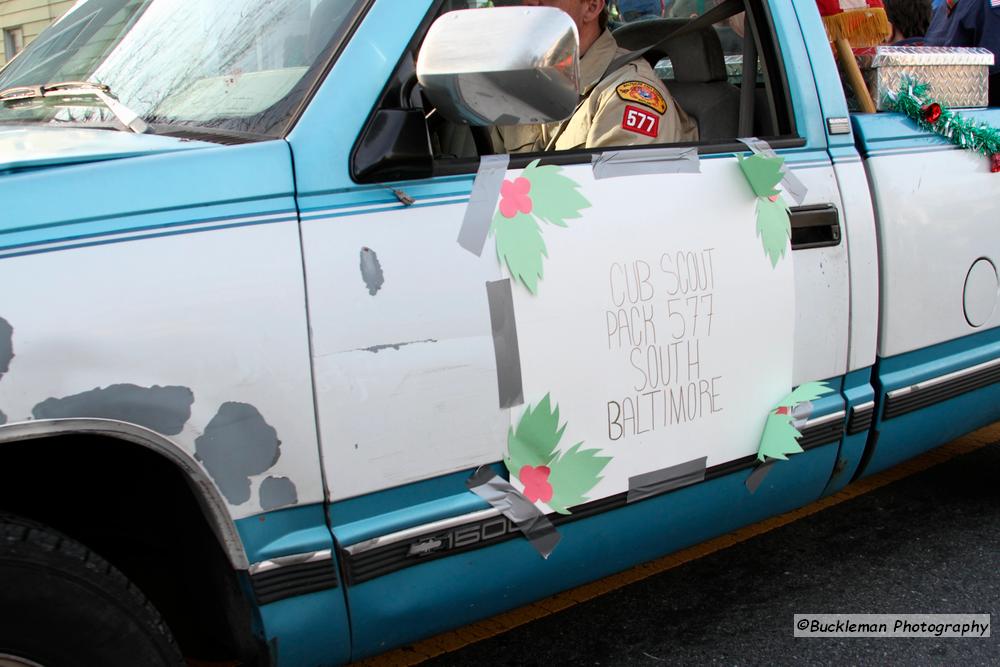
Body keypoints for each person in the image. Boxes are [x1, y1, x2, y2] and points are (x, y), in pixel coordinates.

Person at [497, 0, 698, 152]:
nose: (528, 3)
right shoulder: (518, 88)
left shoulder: (626, 97)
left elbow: (615, 199)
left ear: (592, 6)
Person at [925, 0, 1000, 105]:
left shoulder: (989, 6)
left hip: (976, 114)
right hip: (940, 107)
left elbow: (994, 72)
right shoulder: (942, 8)